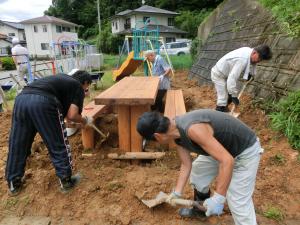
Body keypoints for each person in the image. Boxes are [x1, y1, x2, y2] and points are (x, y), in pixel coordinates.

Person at [137, 109, 263, 225]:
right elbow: (186, 164)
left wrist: (219, 198)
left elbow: (227, 161)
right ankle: (200, 210)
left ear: (157, 136)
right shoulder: (176, 134)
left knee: (237, 200)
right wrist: (177, 192)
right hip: (223, 149)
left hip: (245, 151)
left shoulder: (192, 129)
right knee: (199, 171)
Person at [5, 70, 94, 195]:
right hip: (43, 102)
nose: (86, 90)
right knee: (57, 142)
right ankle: (66, 181)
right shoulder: (77, 87)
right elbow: (73, 115)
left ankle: (14, 183)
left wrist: (78, 122)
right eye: (87, 87)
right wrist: (85, 120)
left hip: (21, 100)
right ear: (85, 82)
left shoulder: (62, 79)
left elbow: (69, 119)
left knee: (18, 143)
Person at [211, 45, 272, 112]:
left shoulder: (249, 51)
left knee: (230, 94)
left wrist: (251, 74)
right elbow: (232, 78)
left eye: (261, 60)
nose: (259, 61)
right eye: (259, 58)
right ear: (255, 52)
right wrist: (234, 96)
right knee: (222, 99)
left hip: (225, 73)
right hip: (218, 74)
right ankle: (219, 112)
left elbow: (252, 63)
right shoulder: (242, 59)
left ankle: (224, 109)